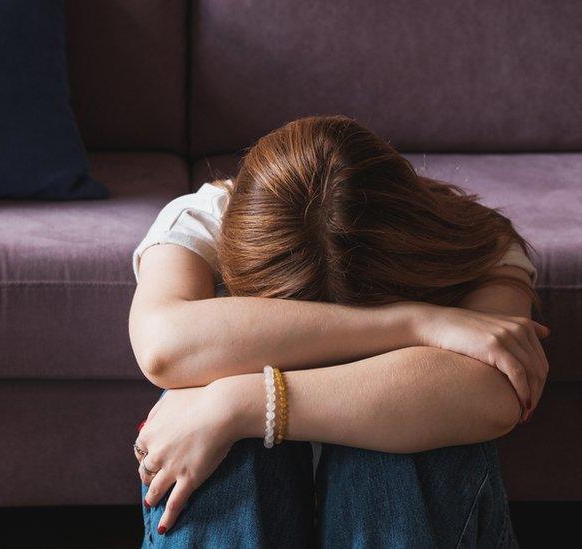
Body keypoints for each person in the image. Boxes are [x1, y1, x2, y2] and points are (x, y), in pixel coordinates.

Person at [128, 115, 550, 548]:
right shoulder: (205, 217)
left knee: (409, 430)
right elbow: (164, 346)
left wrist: (237, 403)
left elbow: (495, 394)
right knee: (227, 441)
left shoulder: (471, 244)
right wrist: (416, 322)